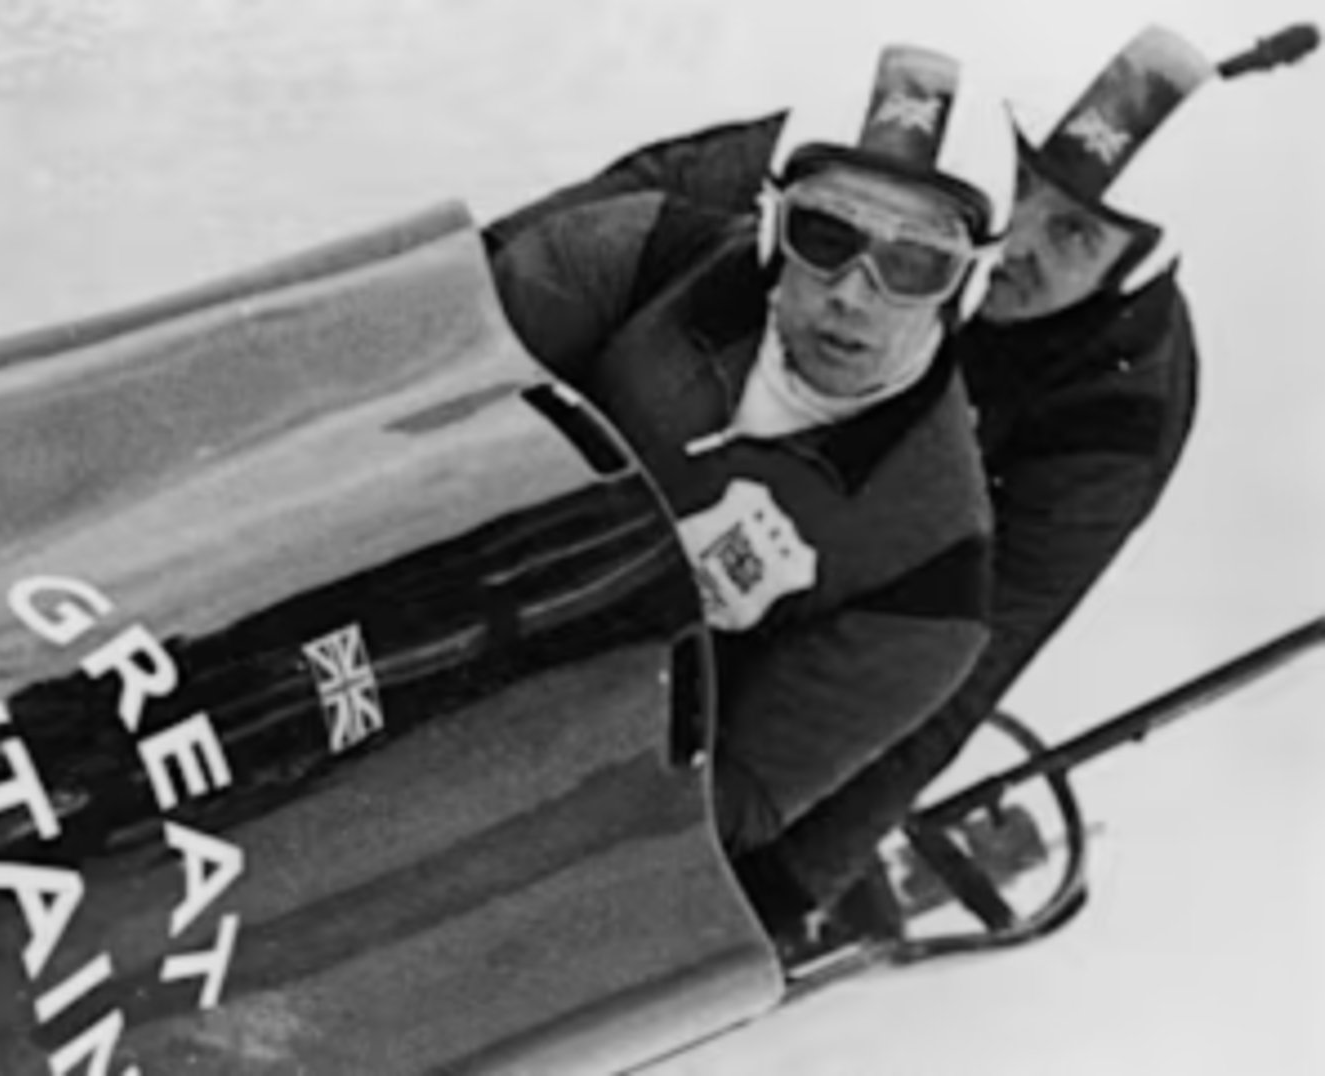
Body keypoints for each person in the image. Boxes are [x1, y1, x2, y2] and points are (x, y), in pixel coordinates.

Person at [489, 24, 1218, 933]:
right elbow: (606, 222)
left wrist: (779, 888)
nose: (1019, 234)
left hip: (812, 586)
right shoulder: (896, 173)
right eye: (1020, 180)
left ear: (1125, 273)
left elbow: (974, 653)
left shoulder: (1115, 421)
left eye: (1072, 232)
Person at [487, 43, 1011, 851]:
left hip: (529, 765)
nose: (853, 293)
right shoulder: (638, 254)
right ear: (772, 226)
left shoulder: (931, 573)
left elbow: (720, 807)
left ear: (969, 284)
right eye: (828, 234)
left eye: (914, 262)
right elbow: (422, 380)